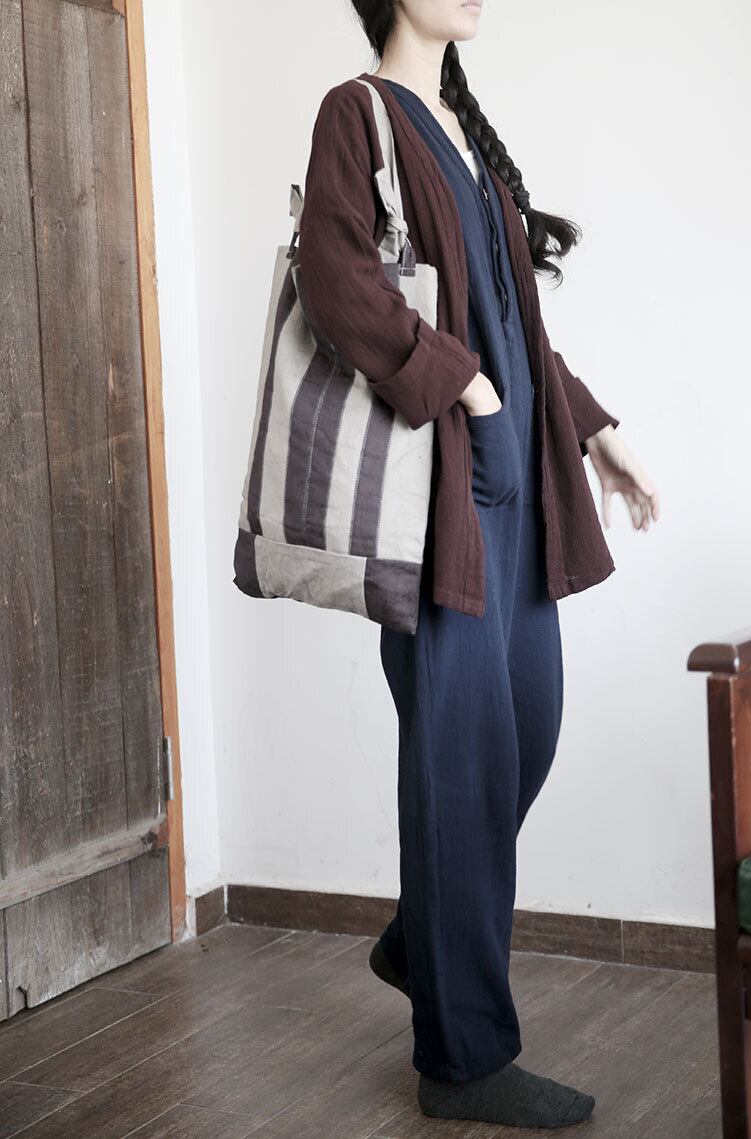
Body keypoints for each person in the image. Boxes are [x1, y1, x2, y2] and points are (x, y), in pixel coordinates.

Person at [296, 0, 660, 1128]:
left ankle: (423, 938)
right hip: (443, 496)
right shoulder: (356, 112)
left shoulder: (460, 127)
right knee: (461, 757)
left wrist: (595, 431)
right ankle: (462, 1060)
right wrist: (464, 388)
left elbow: (516, 323)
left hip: (517, 489)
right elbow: (333, 278)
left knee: (525, 729)